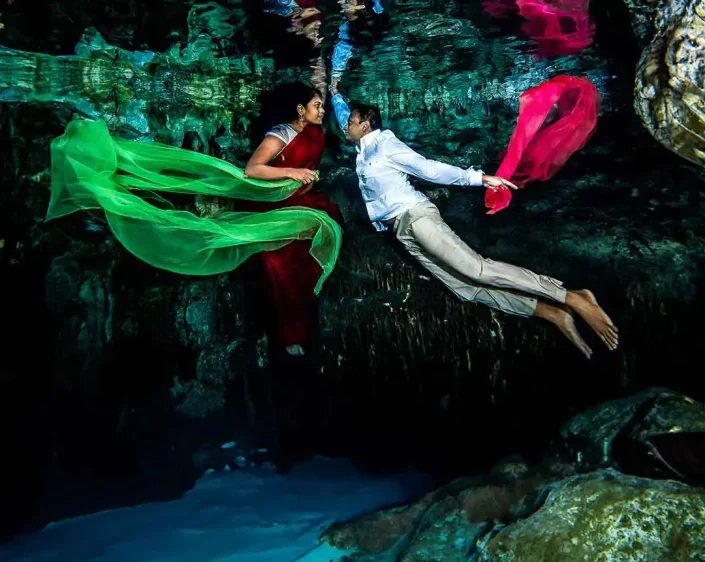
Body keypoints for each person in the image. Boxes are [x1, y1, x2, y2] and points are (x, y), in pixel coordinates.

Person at [329, 88, 618, 359]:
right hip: (401, 231)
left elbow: (427, 168)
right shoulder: (363, 150)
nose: (346, 127)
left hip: (416, 217)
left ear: (366, 125)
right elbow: (343, 115)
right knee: (465, 289)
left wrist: (478, 178)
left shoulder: (385, 143)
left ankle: (573, 297)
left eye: (352, 123)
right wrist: (334, 94)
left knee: (476, 269)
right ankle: (549, 312)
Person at [243, 83, 343, 356]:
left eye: (322, 105)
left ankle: (309, 323)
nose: (322, 111)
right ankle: (289, 336)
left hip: (303, 204)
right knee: (278, 267)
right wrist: (292, 172)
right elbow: (252, 170)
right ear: (300, 110)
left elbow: (309, 170)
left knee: (306, 264)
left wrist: (309, 178)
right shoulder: (280, 134)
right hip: (276, 209)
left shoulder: (316, 133)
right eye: (317, 106)